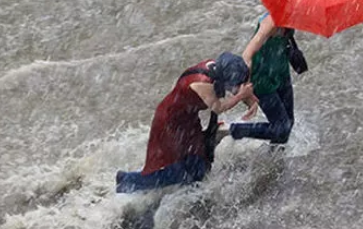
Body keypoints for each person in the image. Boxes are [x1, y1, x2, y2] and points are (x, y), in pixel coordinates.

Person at [115, 52, 258, 194]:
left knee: (199, 162)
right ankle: (128, 181)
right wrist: (241, 96)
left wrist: (249, 97)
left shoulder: (217, 68)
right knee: (182, 170)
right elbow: (219, 107)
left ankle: (188, 187)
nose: (234, 88)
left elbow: (238, 87)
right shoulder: (202, 83)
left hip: (186, 118)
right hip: (170, 123)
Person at [223, 12, 296, 146]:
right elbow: (247, 54)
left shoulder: (292, 17)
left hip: (281, 74)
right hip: (262, 80)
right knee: (281, 128)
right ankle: (228, 130)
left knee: (288, 123)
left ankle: (276, 161)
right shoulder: (270, 22)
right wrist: (247, 89)